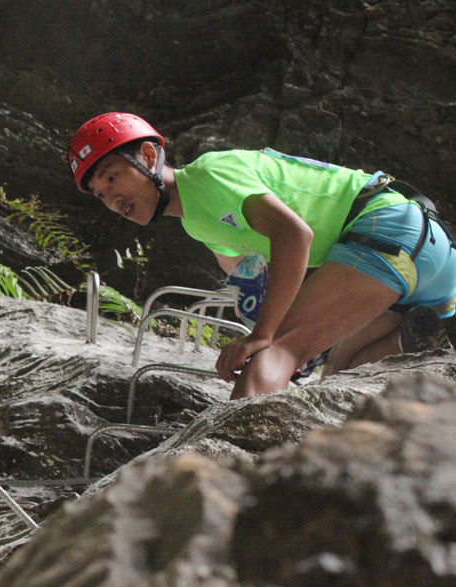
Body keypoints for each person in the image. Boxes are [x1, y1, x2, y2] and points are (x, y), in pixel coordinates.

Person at [68, 112, 456, 397]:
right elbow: (252, 276)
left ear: (149, 157)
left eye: (113, 177)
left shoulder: (209, 175)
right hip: (411, 261)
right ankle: (418, 342)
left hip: (390, 232)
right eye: (101, 194)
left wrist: (262, 336)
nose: (112, 198)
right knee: (340, 377)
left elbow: (295, 236)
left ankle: (235, 480)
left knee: (276, 351)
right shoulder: (197, 222)